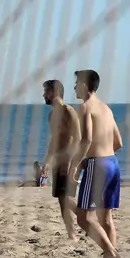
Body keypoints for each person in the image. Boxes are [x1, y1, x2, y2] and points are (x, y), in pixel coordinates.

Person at [70, 69, 123, 258]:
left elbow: (87, 139)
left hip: (98, 166)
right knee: (106, 218)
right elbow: (118, 142)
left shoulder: (85, 108)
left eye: (76, 83)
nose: (74, 87)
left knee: (84, 217)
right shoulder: (106, 109)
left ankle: (110, 254)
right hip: (112, 163)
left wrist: (77, 164)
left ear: (84, 85)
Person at [38, 79, 81, 241]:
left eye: (46, 92)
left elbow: (78, 138)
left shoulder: (68, 111)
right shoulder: (52, 115)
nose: (44, 95)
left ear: (54, 92)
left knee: (68, 198)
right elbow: (54, 142)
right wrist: (47, 163)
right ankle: (72, 234)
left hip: (69, 161)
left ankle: (87, 221)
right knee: (62, 200)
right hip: (58, 162)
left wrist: (70, 161)